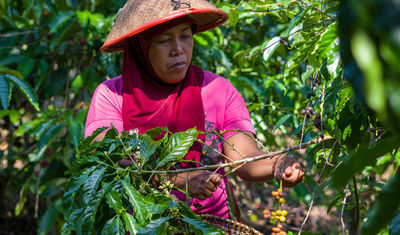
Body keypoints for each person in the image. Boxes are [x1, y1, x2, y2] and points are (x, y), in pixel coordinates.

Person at [85, 0, 303, 221]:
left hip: (213, 233)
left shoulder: (218, 90)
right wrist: (176, 180)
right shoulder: (112, 96)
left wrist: (276, 164)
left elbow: (244, 157)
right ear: (141, 48)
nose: (178, 50)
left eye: (185, 36)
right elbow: (106, 163)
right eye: (163, 40)